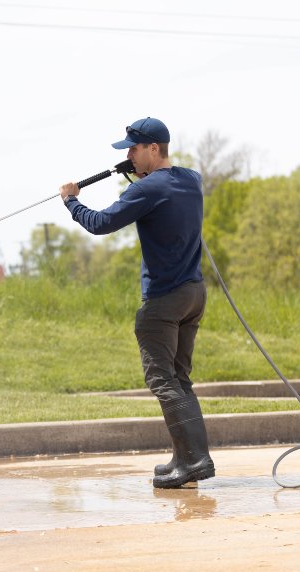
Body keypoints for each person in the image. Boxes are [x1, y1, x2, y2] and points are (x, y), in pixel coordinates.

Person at [58, 117, 215, 489]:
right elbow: (162, 192)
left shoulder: (146, 190)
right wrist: (140, 176)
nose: (128, 154)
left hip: (163, 301)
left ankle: (194, 461)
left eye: (133, 148)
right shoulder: (191, 179)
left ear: (154, 148)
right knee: (179, 379)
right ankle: (187, 458)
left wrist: (71, 200)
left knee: (163, 381)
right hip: (194, 294)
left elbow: (99, 224)